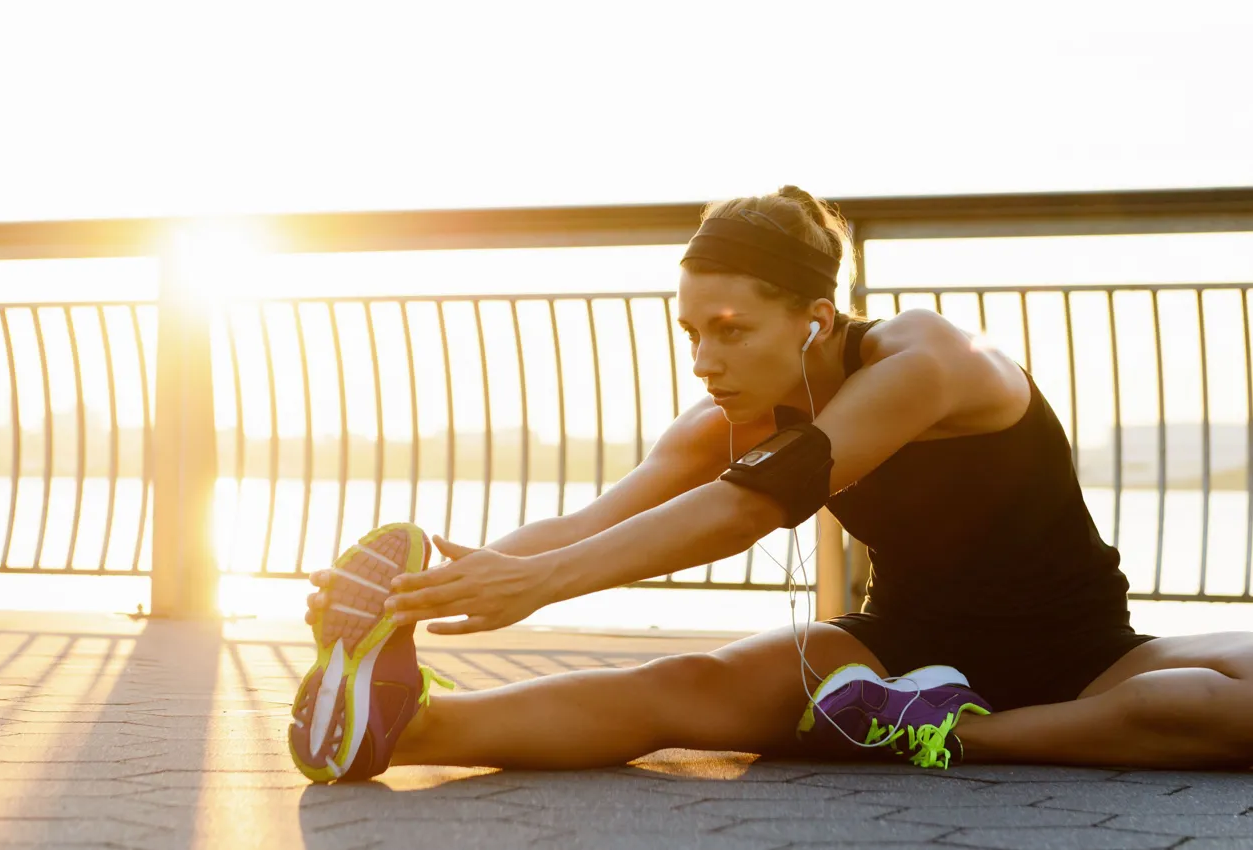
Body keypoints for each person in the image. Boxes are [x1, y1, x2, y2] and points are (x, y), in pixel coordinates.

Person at [293, 185, 1253, 782]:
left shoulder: (928, 359)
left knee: (1204, 706)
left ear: (814, 318)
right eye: (692, 333)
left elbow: (757, 503)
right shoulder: (729, 418)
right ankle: (400, 725)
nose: (706, 358)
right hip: (895, 654)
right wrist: (440, 585)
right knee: (681, 685)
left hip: (1089, 654)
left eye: (731, 328)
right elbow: (598, 519)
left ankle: (949, 735)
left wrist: (537, 589)